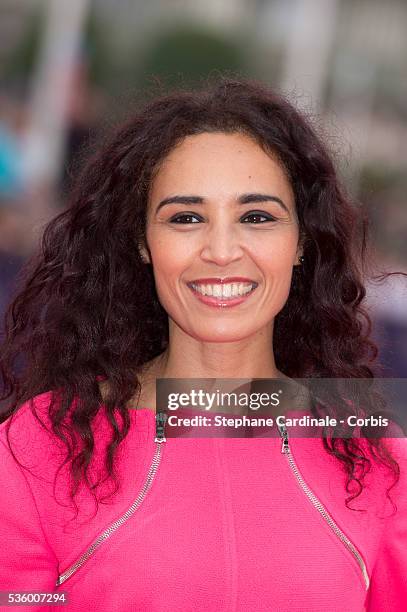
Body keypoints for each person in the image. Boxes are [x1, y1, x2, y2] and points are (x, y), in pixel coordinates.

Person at [0, 77, 406, 612]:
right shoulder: (41, 445)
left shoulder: (374, 459)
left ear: (301, 242)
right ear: (143, 243)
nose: (220, 250)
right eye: (186, 218)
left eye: (256, 217)